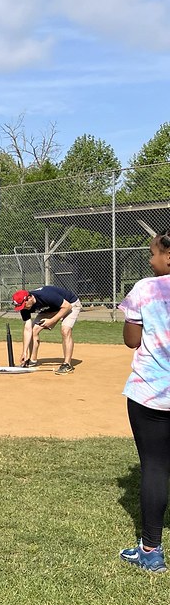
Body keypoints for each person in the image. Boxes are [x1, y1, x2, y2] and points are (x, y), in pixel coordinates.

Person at [117, 231, 170, 573]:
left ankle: (150, 551)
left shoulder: (145, 288)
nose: (150, 260)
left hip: (151, 392)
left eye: (154, 254)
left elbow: (132, 341)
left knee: (154, 466)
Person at [12, 286, 83, 374]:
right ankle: (32, 360)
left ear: (29, 298)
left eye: (23, 305)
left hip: (70, 304)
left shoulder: (46, 295)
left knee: (65, 330)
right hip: (52, 308)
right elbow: (27, 329)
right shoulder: (25, 307)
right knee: (33, 330)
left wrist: (52, 321)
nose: (23, 308)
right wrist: (24, 351)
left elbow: (67, 306)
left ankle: (67, 364)